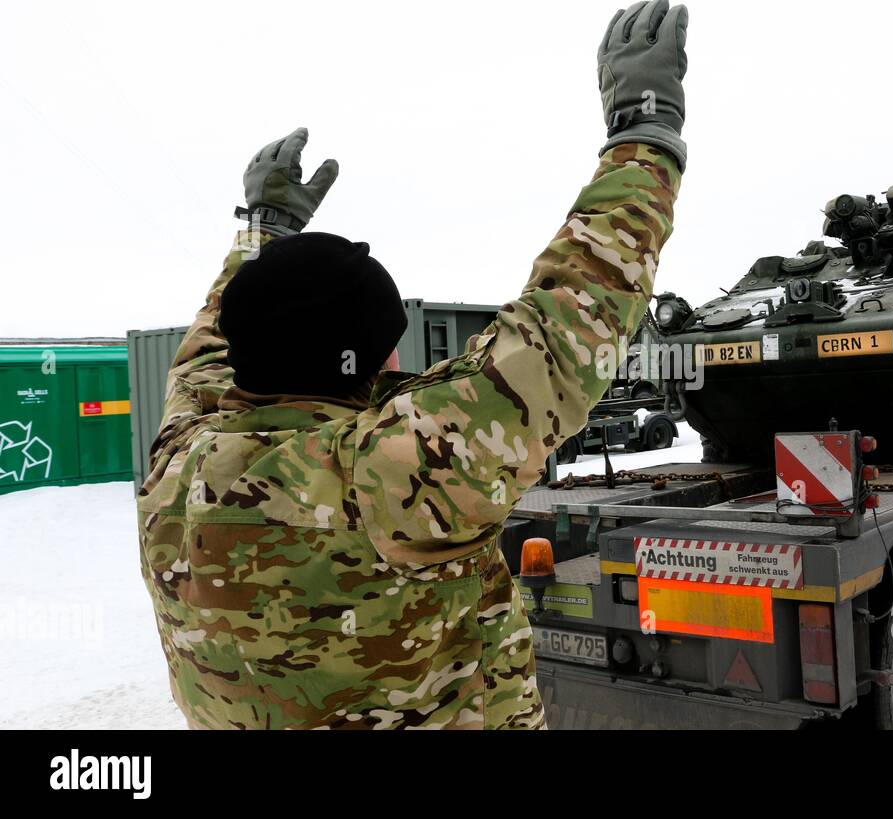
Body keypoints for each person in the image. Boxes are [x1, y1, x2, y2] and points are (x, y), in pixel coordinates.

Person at [137, 0, 689, 729]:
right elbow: (562, 334)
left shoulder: (178, 461)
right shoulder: (380, 477)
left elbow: (213, 345)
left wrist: (263, 233)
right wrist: (645, 135)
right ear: (357, 363)